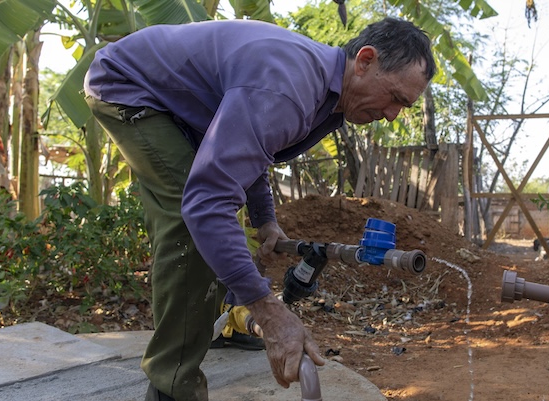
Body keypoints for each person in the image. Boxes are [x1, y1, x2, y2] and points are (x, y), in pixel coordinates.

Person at [84, 16, 436, 401]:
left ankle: (220, 325)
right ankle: (173, 388)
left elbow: (252, 154)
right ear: (365, 60)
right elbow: (207, 201)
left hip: (184, 108)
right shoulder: (291, 86)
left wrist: (265, 218)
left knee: (214, 222)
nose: (392, 116)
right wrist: (269, 314)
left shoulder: (329, 101)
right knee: (192, 225)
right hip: (130, 85)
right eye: (397, 99)